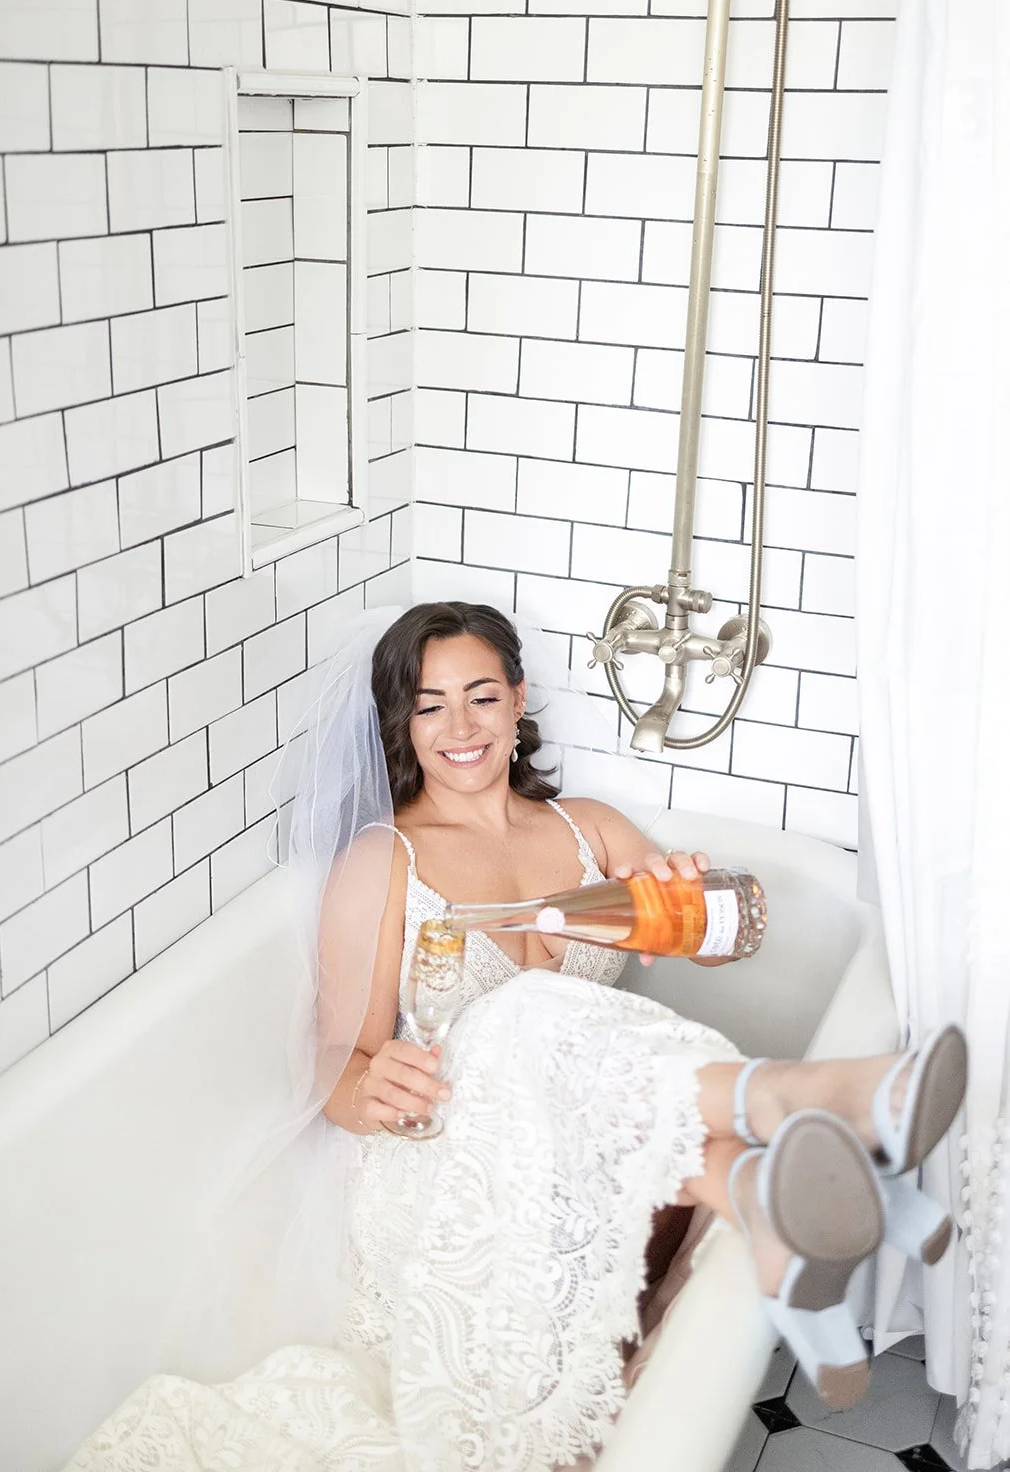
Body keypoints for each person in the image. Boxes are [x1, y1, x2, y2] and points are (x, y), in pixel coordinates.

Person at [67, 601, 967, 1471]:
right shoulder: (384, 858)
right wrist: (366, 1087)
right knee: (522, 1012)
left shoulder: (592, 830)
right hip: (443, 1168)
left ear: (519, 698)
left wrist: (703, 903)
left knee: (563, 1023)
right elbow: (335, 1057)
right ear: (402, 724)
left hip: (591, 1157)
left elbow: (737, 937)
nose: (459, 725)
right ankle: (810, 1113)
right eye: (427, 706)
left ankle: (757, 1186)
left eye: (480, 695)